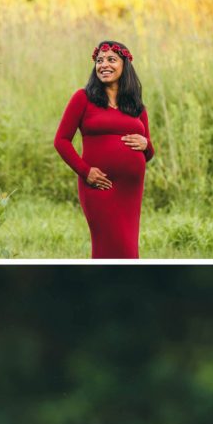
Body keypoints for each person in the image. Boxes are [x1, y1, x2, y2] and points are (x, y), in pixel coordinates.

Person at [54, 38, 154, 259]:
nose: (104, 65)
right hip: (100, 186)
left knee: (129, 250)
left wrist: (147, 145)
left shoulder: (136, 104)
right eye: (99, 60)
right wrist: (85, 171)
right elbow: (61, 140)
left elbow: (148, 151)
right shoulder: (83, 98)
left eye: (111, 59)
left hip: (130, 191)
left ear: (125, 65)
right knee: (110, 247)